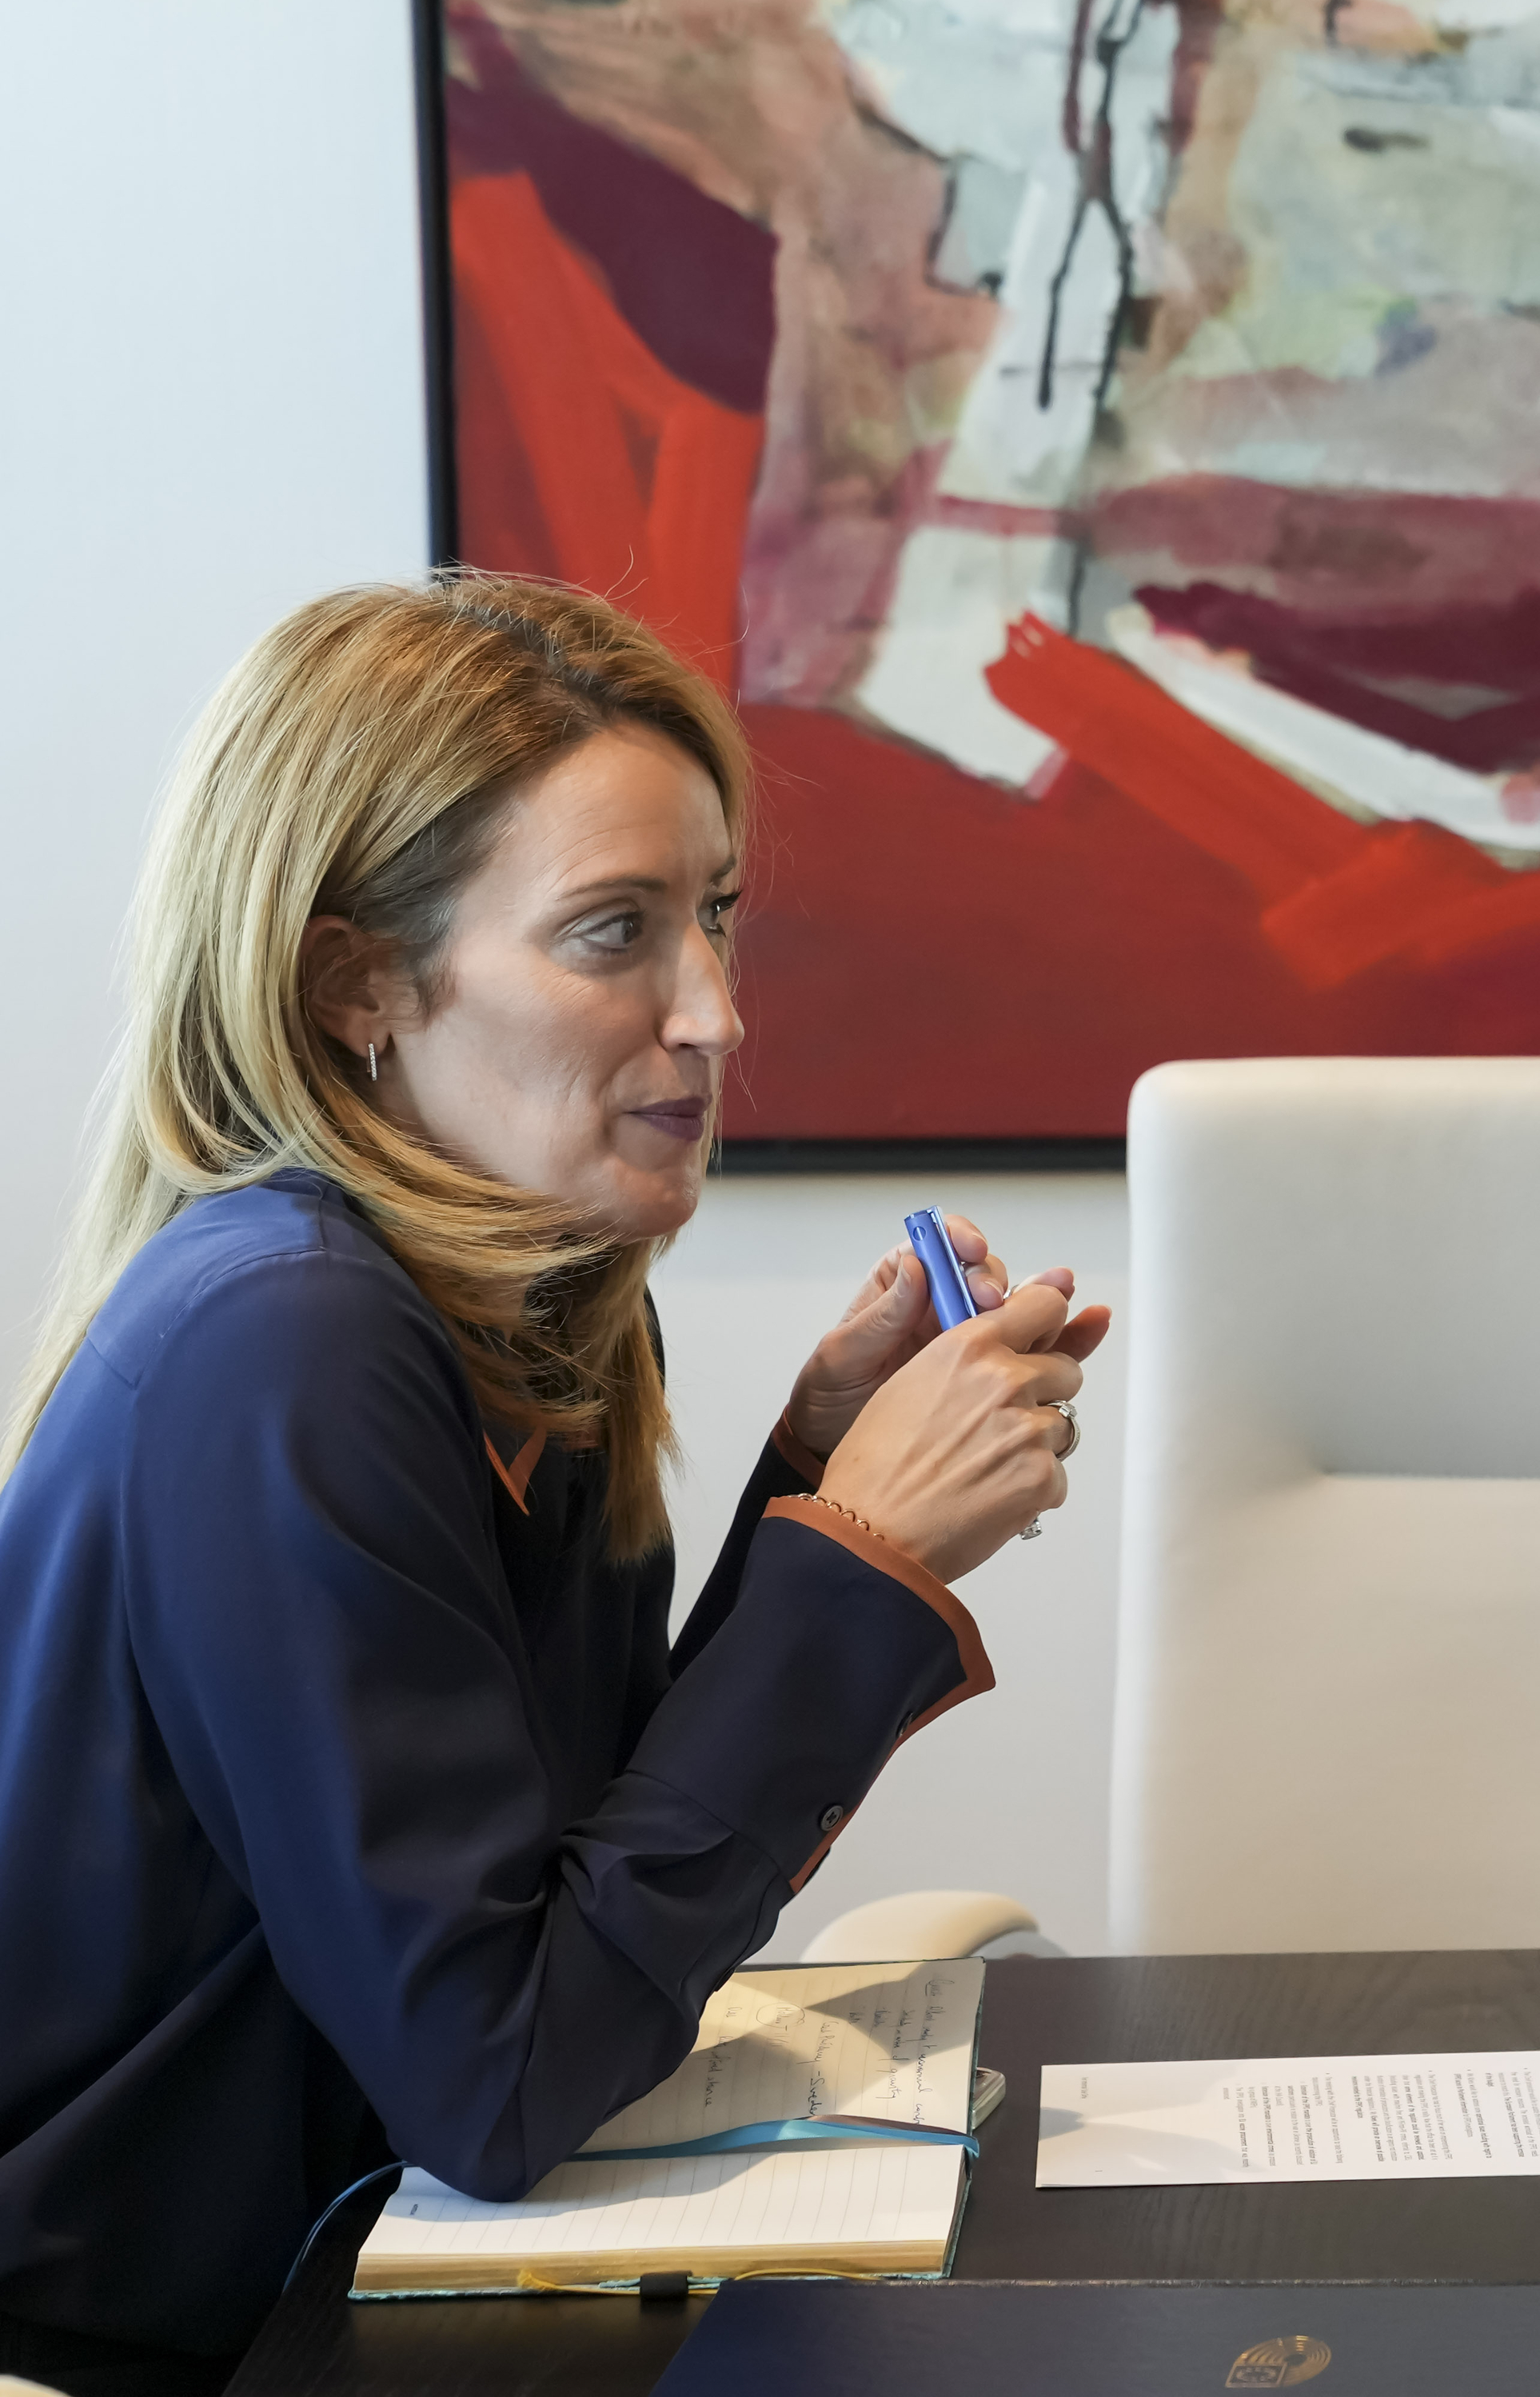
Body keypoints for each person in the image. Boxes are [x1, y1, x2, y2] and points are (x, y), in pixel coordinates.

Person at [0, 577, 1111, 2395]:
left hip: (354, 2267)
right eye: (615, 934)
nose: (716, 1015)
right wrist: (862, 1557)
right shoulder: (287, 1345)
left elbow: (573, 1900)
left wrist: (817, 1474)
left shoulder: (541, 1304)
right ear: (354, 980)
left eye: (716, 922)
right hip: (149, 2343)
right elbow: (499, 2076)